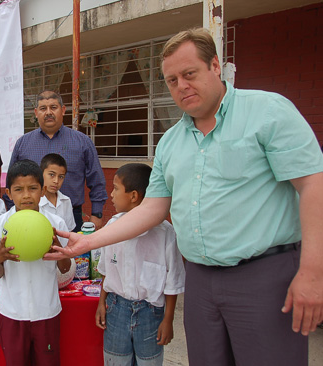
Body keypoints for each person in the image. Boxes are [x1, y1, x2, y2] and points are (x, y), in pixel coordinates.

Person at [46, 28, 323, 366]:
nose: (181, 86)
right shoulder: (172, 141)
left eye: (189, 74)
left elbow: (313, 185)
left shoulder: (267, 112)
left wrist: (313, 272)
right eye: (172, 80)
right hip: (202, 282)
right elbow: (152, 208)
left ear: (216, 66)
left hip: (264, 275)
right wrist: (88, 242)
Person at [95, 163, 185, 366]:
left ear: (133, 196)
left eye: (116, 188)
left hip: (150, 314)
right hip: (116, 310)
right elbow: (105, 270)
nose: (111, 194)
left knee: (149, 362)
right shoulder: (112, 227)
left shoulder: (165, 233)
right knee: (116, 361)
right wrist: (102, 303)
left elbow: (173, 281)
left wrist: (168, 320)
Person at [0, 159, 71, 366]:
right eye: (19, 189)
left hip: (47, 311)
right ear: (8, 193)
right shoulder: (0, 226)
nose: (26, 195)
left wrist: (60, 251)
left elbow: (66, 269)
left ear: (42, 191)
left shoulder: (55, 224)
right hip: (12, 312)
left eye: (33, 188)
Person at [8, 91, 107, 231]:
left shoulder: (82, 142)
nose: (48, 112)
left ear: (63, 110)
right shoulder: (23, 143)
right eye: (43, 108)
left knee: (70, 252)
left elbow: (96, 180)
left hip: (71, 215)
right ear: (36, 112)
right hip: (29, 216)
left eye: (53, 107)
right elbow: (11, 181)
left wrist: (97, 213)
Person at [39, 153, 75, 231]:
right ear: (41, 174)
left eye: (61, 177)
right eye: (51, 175)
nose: (56, 181)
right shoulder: (35, 202)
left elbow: (69, 230)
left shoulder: (66, 201)